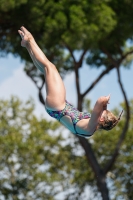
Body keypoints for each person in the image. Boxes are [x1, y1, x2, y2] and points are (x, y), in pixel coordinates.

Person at [18, 26, 123, 138]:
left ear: (101, 119)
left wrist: (106, 100)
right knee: (46, 70)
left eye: (103, 112)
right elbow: (100, 109)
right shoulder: (90, 130)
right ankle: (28, 45)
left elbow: (100, 100)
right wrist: (105, 109)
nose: (102, 110)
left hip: (59, 105)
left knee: (50, 67)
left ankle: (30, 39)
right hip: (54, 109)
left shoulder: (92, 124)